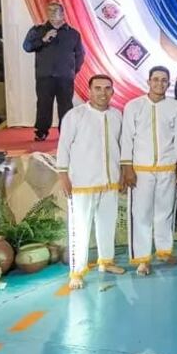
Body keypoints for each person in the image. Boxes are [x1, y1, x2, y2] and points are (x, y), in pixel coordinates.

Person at [120, 66, 177, 276]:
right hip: (141, 170)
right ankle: (142, 259)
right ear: (149, 82)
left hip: (167, 168)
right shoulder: (134, 106)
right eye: (156, 79)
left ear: (168, 84)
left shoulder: (175, 107)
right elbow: (127, 138)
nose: (159, 83)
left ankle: (164, 251)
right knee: (141, 214)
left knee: (165, 211)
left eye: (164, 80)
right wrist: (127, 168)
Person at [56, 75, 125, 289]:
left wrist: (123, 173)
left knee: (107, 224)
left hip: (110, 181)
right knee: (80, 228)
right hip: (82, 183)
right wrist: (63, 175)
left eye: (107, 88)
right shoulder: (75, 115)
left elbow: (122, 146)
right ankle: (77, 272)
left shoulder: (117, 115)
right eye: (98, 88)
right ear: (89, 90)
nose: (102, 93)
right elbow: (63, 146)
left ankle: (106, 261)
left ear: (112, 91)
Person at [22, 2, 85, 141]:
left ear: (63, 14)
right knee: (43, 103)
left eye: (55, 11)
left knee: (66, 105)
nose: (52, 14)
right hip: (44, 75)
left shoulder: (73, 33)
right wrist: (43, 39)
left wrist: (72, 71)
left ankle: (67, 131)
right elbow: (27, 47)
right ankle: (41, 131)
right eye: (49, 11)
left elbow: (80, 55)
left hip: (65, 76)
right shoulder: (38, 30)